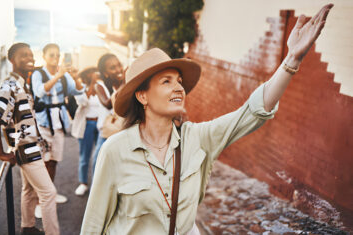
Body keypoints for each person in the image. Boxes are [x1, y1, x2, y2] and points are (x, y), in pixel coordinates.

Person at [80, 4, 333, 234]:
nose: (178, 88)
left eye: (179, 81)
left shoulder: (198, 139)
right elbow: (92, 226)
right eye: (166, 81)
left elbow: (251, 112)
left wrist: (292, 60)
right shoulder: (115, 151)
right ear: (143, 96)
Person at [0, 43, 60, 235]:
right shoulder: (10, 85)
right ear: (12, 60)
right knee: (48, 193)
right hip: (27, 150)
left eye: (30, 55)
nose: (29, 58)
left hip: (30, 147)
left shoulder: (22, 85)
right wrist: (1, 152)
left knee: (29, 191)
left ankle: (27, 228)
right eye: (23, 55)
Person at [31, 43, 84, 207]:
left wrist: (77, 80)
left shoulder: (63, 75)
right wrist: (58, 75)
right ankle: (41, 202)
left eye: (57, 55)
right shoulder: (38, 74)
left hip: (59, 125)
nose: (55, 58)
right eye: (51, 55)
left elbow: (76, 91)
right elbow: (39, 91)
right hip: (44, 125)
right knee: (43, 163)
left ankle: (50, 194)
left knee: (53, 161)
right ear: (44, 56)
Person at [71, 67, 102, 196]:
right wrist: (92, 85)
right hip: (87, 124)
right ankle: (83, 183)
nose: (94, 74)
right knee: (85, 155)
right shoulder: (80, 87)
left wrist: (97, 85)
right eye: (91, 73)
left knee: (100, 156)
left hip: (100, 124)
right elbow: (83, 102)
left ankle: (97, 184)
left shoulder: (101, 87)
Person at [91, 53, 124, 172]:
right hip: (106, 133)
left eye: (119, 65)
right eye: (112, 68)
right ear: (105, 73)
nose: (118, 69)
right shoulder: (99, 86)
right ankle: (95, 189)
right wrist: (124, 84)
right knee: (99, 166)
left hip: (122, 131)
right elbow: (108, 103)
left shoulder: (124, 85)